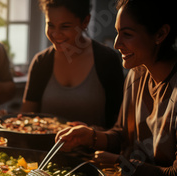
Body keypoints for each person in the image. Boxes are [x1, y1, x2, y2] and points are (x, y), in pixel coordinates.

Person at [56, 0, 177, 176]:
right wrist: (91, 136)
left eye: (127, 34)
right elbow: (123, 136)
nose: (117, 44)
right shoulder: (137, 74)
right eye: (118, 32)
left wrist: (120, 162)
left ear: (160, 34)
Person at [20, 0, 124, 129]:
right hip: (47, 149)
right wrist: (2, 115)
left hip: (94, 148)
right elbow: (25, 119)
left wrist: (95, 135)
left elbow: (120, 125)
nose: (56, 34)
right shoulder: (41, 62)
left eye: (65, 26)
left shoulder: (107, 60)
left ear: (85, 21)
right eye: (50, 25)